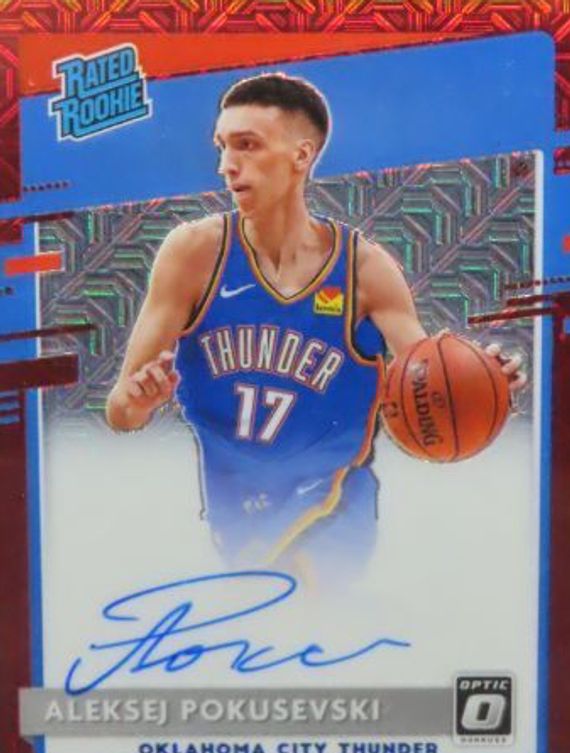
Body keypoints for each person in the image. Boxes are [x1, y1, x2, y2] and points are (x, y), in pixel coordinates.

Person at [106, 73, 524, 586]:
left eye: (247, 145)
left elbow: (425, 380)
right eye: (222, 146)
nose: (226, 165)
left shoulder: (365, 269)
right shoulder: (193, 254)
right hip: (234, 514)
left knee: (307, 604)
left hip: (333, 507)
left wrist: (485, 378)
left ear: (301, 155)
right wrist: (140, 399)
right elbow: (120, 412)